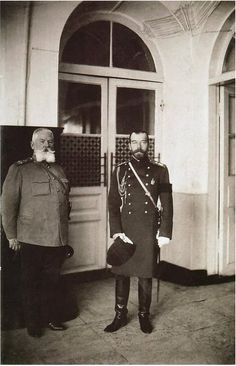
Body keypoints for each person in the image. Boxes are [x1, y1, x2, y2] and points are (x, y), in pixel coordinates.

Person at [2, 128, 71, 337]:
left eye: (49, 141)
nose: (46, 145)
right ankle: (33, 323)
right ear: (32, 145)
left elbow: (64, 202)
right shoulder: (19, 169)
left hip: (56, 238)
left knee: (52, 282)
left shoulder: (59, 169)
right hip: (30, 238)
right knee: (30, 282)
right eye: (41, 141)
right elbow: (7, 205)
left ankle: (50, 318)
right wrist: (11, 235)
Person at [104, 130, 173, 334]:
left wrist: (164, 232)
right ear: (128, 145)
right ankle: (120, 315)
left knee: (145, 275)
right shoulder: (119, 170)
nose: (139, 146)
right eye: (134, 142)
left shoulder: (160, 170)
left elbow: (167, 205)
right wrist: (116, 231)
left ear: (148, 145)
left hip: (148, 230)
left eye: (143, 142)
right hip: (126, 231)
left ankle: (144, 315)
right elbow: (113, 204)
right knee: (121, 274)